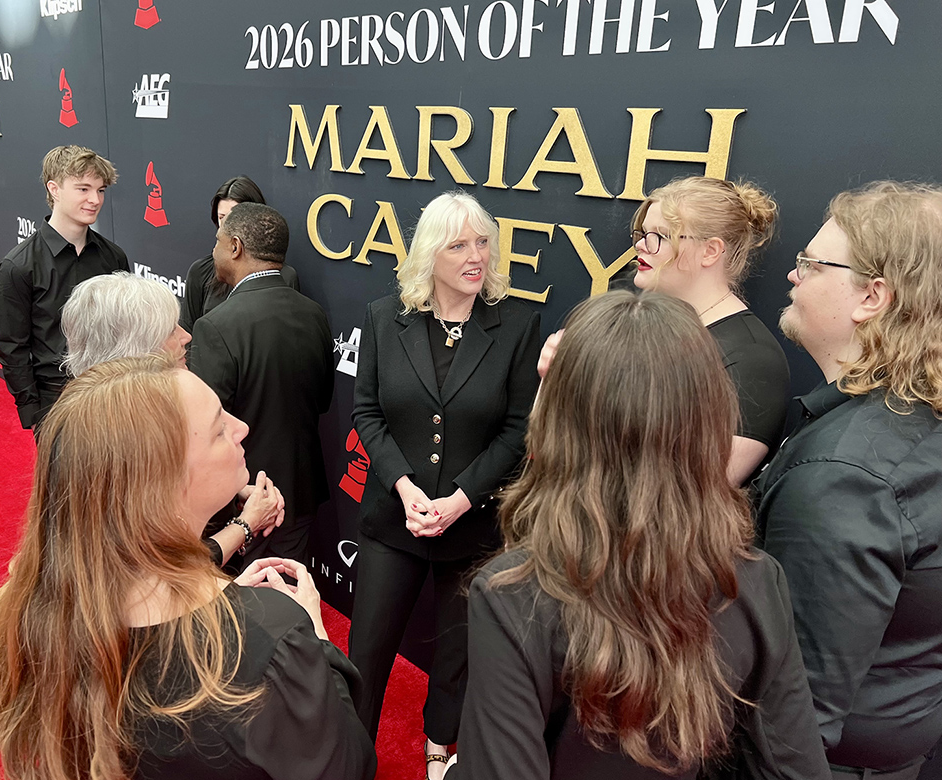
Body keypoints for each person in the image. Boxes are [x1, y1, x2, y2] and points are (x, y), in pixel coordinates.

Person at [446, 291, 829, 780]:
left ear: (561, 422)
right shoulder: (756, 581)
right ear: (708, 418)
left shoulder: (514, 596)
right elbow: (794, 765)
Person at [0, 354, 376, 780]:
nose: (241, 428)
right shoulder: (276, 637)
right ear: (161, 482)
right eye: (220, 429)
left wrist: (225, 596)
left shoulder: (35, 610)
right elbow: (349, 767)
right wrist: (313, 633)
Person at [348, 190, 541, 776]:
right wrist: (405, 487)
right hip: (392, 519)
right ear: (431, 253)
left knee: (456, 652)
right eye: (459, 244)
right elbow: (367, 412)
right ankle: (351, 751)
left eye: (483, 241)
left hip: (473, 525)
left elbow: (516, 431)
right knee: (368, 651)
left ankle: (438, 751)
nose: (475, 255)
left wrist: (459, 499)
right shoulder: (386, 317)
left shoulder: (518, 325)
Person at [757, 182, 942, 780]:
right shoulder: (913, 420)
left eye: (811, 263)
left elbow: (795, 720)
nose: (792, 275)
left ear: (872, 296)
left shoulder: (843, 479)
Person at [539, 177, 790, 486]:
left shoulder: (752, 360)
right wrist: (558, 382)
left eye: (660, 235)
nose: (641, 246)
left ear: (710, 251)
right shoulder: (639, 324)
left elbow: (698, 492)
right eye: (643, 234)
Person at [60, 270, 285, 567]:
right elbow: (161, 567)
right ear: (137, 346)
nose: (186, 335)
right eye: (170, 330)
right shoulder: (119, 438)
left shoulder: (97, 411)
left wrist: (235, 489)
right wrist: (246, 523)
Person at [188, 203, 333, 568]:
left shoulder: (216, 325)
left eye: (218, 242)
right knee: (284, 600)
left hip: (242, 500)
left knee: (236, 611)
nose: (214, 251)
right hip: (300, 490)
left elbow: (204, 426)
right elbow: (324, 398)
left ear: (235, 247)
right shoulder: (313, 313)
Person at [0, 144, 128, 430]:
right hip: (55, 399)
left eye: (101, 190)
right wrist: (33, 412)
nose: (95, 199)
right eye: (83, 189)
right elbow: (12, 347)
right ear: (54, 189)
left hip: (111, 392)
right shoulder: (18, 266)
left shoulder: (113, 257)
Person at [179, 175, 299, 333]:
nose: (227, 225)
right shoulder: (201, 271)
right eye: (222, 217)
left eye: (234, 216)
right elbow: (188, 334)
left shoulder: (284, 277)